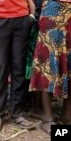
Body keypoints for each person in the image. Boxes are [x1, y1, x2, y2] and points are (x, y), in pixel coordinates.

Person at [0, 0, 36, 132]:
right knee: (0, 69)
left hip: (22, 19)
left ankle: (17, 113)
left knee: (19, 68)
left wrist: (31, 16)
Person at [29, 0, 71, 135]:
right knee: (48, 62)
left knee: (70, 62)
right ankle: (48, 118)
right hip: (52, 9)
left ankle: (66, 115)